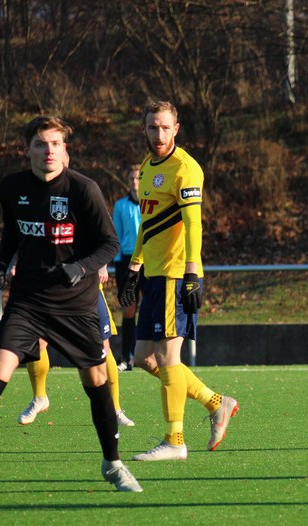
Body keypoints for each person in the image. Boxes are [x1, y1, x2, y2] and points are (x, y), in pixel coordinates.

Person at [0, 115, 142, 501]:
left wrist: (79, 268)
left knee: (97, 382)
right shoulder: (11, 187)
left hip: (76, 305)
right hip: (27, 302)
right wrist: (1, 267)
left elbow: (110, 244)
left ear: (66, 150)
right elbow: (11, 234)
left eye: (56, 144)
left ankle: (113, 463)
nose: (49, 151)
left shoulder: (84, 189)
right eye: (41, 144)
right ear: (27, 149)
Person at [118, 100, 238, 461]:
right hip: (153, 276)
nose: (159, 134)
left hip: (176, 275)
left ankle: (174, 441)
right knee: (144, 358)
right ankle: (216, 402)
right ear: (144, 129)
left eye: (165, 127)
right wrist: (134, 267)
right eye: (153, 127)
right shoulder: (146, 167)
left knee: (169, 357)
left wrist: (191, 272)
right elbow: (147, 224)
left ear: (176, 129)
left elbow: (193, 225)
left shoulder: (186, 168)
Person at [19, 268, 135, 428]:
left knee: (102, 348)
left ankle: (114, 410)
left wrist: (102, 266)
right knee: (36, 341)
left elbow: (103, 249)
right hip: (51, 288)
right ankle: (39, 397)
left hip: (87, 287)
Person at [112, 163, 143, 371]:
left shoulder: (153, 203)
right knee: (129, 309)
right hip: (127, 262)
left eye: (138, 178)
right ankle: (126, 358)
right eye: (131, 178)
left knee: (151, 309)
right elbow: (116, 236)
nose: (134, 182)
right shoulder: (120, 206)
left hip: (149, 261)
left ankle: (150, 356)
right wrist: (118, 266)